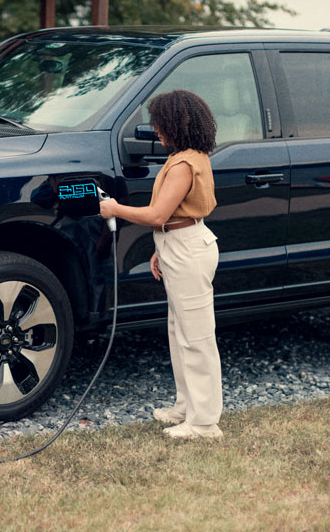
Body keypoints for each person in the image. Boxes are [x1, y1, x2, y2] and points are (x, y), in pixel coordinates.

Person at [99, 89, 223, 440]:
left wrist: (113, 209)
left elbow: (157, 213)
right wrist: (160, 247)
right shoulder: (191, 156)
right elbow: (170, 217)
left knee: (196, 338)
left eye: (159, 124)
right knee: (179, 333)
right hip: (180, 244)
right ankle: (186, 407)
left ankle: (204, 424)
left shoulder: (185, 164)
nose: (156, 131)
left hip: (187, 249)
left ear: (175, 123)